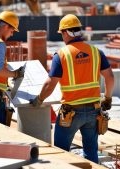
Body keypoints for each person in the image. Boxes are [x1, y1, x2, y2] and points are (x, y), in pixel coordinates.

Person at [31, 14, 115, 163]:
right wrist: (107, 98)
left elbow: (50, 84)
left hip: (70, 114)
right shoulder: (96, 52)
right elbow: (110, 77)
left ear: (65, 32)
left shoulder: (62, 55)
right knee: (91, 152)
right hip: (93, 112)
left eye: (61, 33)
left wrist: (39, 99)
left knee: (61, 153)